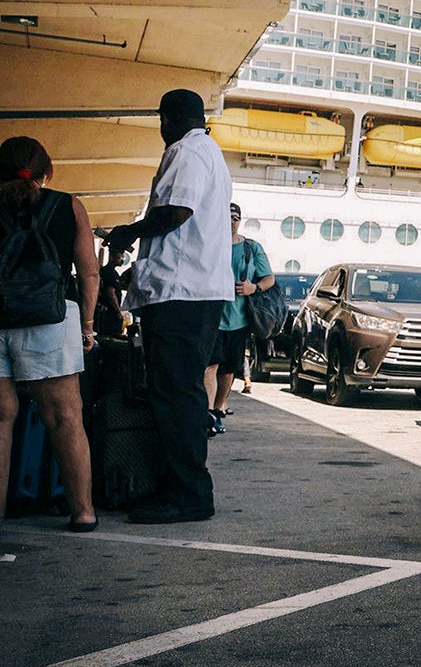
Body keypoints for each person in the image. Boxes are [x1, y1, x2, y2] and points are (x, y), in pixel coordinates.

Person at [106, 88, 233, 525]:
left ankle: (190, 494)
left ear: (171, 118)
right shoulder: (205, 151)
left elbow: (176, 212)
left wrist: (128, 231)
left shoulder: (187, 150)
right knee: (176, 392)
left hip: (183, 294)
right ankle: (176, 485)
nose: (161, 128)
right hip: (190, 293)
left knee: (177, 394)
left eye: (162, 119)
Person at [0, 137, 99, 532]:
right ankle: (83, 512)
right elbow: (89, 270)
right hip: (49, 321)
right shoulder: (67, 205)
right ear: (48, 171)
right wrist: (88, 324)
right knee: (64, 418)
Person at [201, 203, 274, 433]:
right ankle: (209, 412)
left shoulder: (252, 248)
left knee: (229, 369)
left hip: (238, 319)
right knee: (210, 365)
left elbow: (268, 278)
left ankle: (219, 407)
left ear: (239, 221)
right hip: (212, 317)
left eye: (235, 217)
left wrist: (254, 288)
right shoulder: (210, 245)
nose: (231, 221)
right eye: (227, 217)